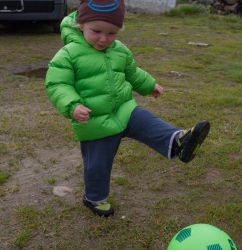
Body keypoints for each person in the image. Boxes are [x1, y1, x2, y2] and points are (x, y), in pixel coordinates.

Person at [45, 0, 210, 217]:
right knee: (98, 164)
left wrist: (149, 85)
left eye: (112, 33)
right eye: (97, 31)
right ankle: (94, 198)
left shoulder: (120, 50)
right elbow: (58, 84)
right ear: (81, 25)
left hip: (124, 108)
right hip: (95, 120)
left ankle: (178, 141)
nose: (104, 39)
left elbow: (132, 73)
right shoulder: (68, 54)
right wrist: (72, 105)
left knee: (147, 121)